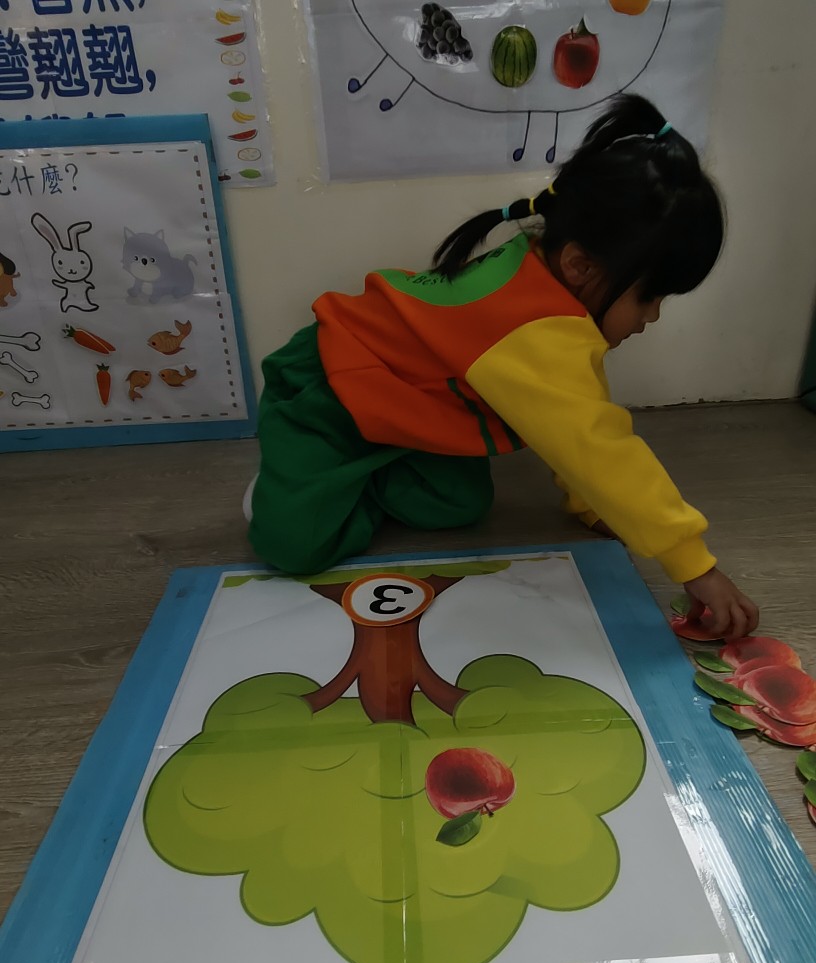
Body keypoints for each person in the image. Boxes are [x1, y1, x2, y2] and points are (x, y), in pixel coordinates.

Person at [246, 93, 758, 640]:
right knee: (293, 546)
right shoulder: (533, 327)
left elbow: (577, 425)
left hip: (402, 409)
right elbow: (598, 446)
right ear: (580, 265)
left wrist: (594, 505)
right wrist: (694, 565)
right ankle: (288, 486)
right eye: (649, 297)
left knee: (460, 503)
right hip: (329, 392)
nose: (651, 317)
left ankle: (359, 477)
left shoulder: (543, 272)